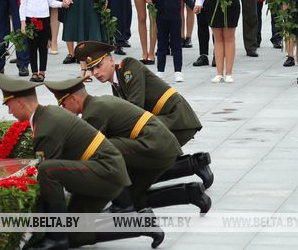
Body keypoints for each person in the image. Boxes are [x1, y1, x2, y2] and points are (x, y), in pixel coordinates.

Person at [0, 74, 163, 249]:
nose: (9, 111)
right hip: (103, 170)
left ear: (20, 103)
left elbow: (48, 176)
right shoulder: (46, 116)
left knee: (47, 170)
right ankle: (142, 224)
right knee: (74, 233)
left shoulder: (45, 127)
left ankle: (56, 238)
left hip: (105, 172)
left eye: (9, 105)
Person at [43, 78, 207, 214]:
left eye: (63, 104)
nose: (63, 109)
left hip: (154, 146)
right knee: (134, 195)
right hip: (159, 145)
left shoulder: (94, 112)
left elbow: (86, 151)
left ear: (74, 99)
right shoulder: (98, 102)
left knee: (105, 151)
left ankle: (123, 205)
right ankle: (191, 193)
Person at [79, 41, 213, 194]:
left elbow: (135, 108)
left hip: (176, 119)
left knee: (143, 163)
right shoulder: (117, 84)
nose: (95, 72)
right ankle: (194, 163)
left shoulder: (128, 66)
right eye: (91, 68)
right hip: (164, 121)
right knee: (141, 162)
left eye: (98, 66)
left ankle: (195, 164)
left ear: (111, 60)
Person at [148, 0, 195, 81]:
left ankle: (178, 71)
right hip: (161, 17)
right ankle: (160, 70)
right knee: (162, 44)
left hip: (175, 17)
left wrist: (194, 7)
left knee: (176, 44)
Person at [19, 0, 63, 82]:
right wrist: (23, 23)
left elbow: (50, 1)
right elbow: (23, 4)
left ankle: (42, 71)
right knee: (32, 47)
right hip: (30, 18)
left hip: (44, 18)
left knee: (43, 46)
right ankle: (34, 72)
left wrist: (61, 4)